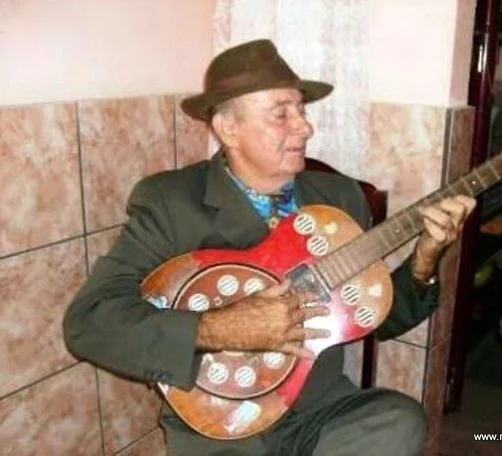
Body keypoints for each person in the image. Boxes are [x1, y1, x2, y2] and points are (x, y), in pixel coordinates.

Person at [63, 39, 475, 456]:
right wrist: (220, 329)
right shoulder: (173, 203)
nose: (305, 127)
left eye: (302, 111)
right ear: (228, 128)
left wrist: (424, 261)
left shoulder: (340, 198)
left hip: (317, 409)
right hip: (219, 420)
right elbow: (89, 324)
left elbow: (379, 318)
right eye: (281, 114)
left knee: (400, 420)